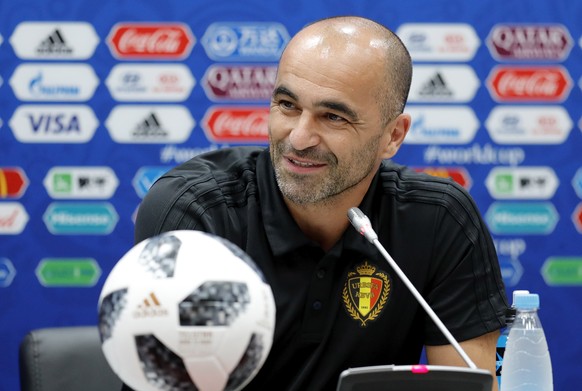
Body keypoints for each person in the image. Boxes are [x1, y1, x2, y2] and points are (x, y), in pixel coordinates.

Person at [128, 15, 508, 391]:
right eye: (288, 105)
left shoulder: (439, 219)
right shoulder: (196, 213)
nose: (299, 137)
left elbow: (469, 384)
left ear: (393, 135)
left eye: (333, 116)